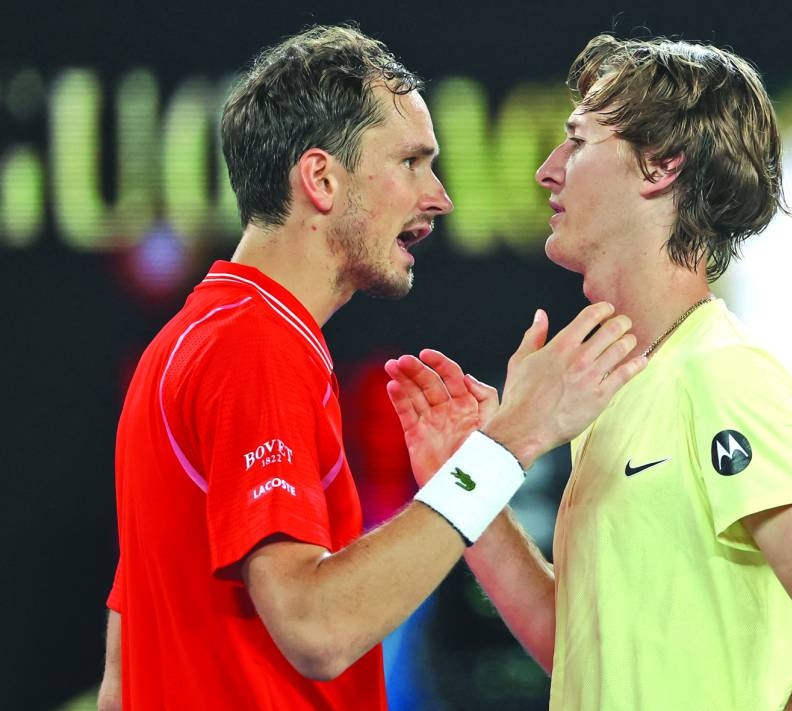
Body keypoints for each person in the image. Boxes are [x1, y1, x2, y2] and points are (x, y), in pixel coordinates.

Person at [96, 25, 647, 711]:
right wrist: (510, 442)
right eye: (411, 162)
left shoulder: (191, 339)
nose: (439, 197)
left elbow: (122, 678)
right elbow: (317, 627)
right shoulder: (254, 347)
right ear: (321, 179)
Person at [385, 34, 792, 710]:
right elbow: (579, 652)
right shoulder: (618, 391)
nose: (547, 171)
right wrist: (468, 480)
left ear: (661, 166)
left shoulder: (723, 374)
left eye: (577, 142)